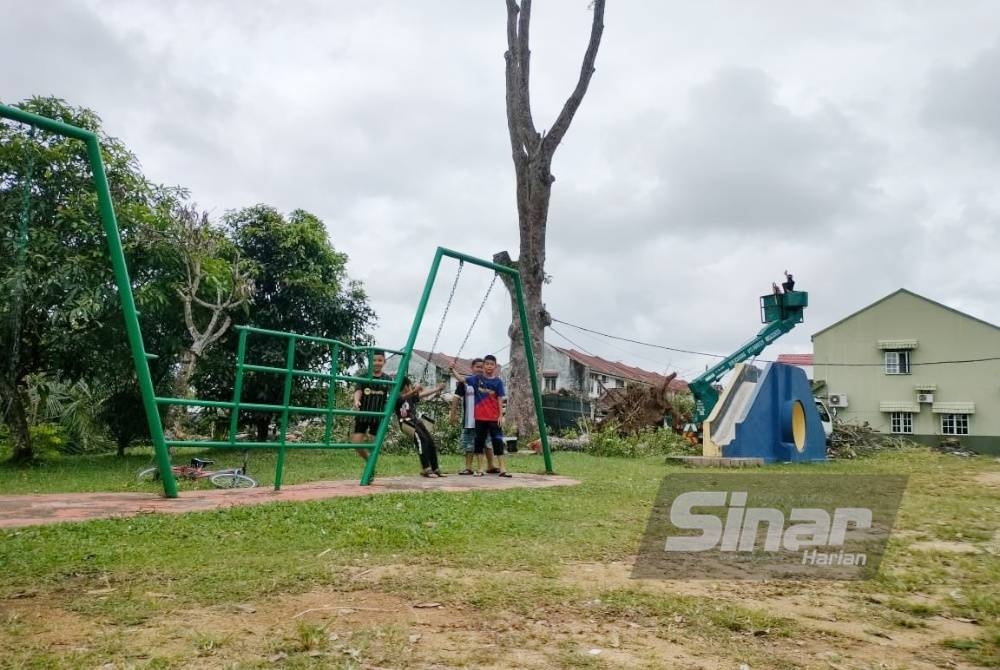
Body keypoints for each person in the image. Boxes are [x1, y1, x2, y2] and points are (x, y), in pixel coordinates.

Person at [449, 358, 496, 475]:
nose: (480, 369)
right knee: (469, 444)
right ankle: (468, 467)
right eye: (477, 367)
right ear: (472, 368)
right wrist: (453, 415)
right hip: (469, 420)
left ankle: (491, 466)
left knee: (488, 443)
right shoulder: (464, 383)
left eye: (482, 367)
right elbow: (456, 399)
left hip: (485, 419)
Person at [468, 354, 510, 477]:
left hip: (494, 418)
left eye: (492, 364)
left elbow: (500, 399)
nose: (489, 366)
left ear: (495, 367)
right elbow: (461, 379)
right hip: (480, 418)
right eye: (487, 364)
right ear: (484, 365)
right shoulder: (476, 379)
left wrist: (501, 416)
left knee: (497, 442)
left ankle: (502, 469)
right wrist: (452, 369)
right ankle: (480, 469)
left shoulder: (498, 382)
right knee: (479, 443)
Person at [395, 376, 446, 477]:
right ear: (405, 386)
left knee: (430, 441)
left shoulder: (410, 396)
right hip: (405, 423)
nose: (411, 388)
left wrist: (437, 389)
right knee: (422, 440)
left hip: (415, 421)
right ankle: (426, 468)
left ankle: (435, 468)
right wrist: (414, 390)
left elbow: (422, 394)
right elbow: (402, 398)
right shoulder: (396, 396)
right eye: (410, 386)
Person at [351, 350, 393, 461]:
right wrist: (356, 401)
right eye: (374, 360)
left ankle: (371, 467)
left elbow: (394, 395)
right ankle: (369, 460)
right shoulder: (364, 376)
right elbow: (358, 390)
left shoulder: (387, 379)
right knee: (356, 442)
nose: (377, 363)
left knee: (375, 445)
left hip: (378, 416)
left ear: (384, 362)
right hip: (363, 414)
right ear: (370, 361)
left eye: (380, 360)